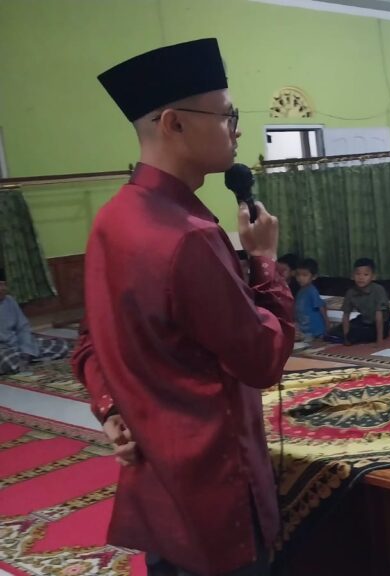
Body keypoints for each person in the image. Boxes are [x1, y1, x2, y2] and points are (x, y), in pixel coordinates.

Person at [72, 39, 294, 576]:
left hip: (159, 489)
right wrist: (264, 262)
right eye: (227, 116)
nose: (236, 131)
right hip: (216, 492)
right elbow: (262, 358)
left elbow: (89, 342)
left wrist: (110, 409)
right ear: (174, 123)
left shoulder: (112, 218)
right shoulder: (187, 236)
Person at [0, 273, 69, 375]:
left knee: (62, 346)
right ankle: (27, 360)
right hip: (3, 350)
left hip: (18, 345)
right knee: (8, 359)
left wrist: (26, 350)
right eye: (0, 285)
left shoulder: (10, 300)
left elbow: (23, 328)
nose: (3, 288)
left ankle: (25, 360)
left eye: (4, 284)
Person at [336, 258, 390, 345]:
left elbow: (379, 315)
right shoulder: (351, 292)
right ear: (352, 276)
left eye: (366, 274)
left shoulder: (378, 290)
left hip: (380, 323)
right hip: (364, 319)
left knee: (358, 334)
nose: (361, 278)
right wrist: (346, 336)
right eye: (358, 274)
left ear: (373, 276)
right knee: (338, 330)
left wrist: (379, 340)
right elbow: (346, 314)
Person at [294, 258, 328, 340]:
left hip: (314, 331)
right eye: (298, 275)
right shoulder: (300, 291)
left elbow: (321, 308)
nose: (300, 278)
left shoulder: (312, 291)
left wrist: (327, 324)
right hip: (304, 329)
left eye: (304, 275)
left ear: (314, 276)